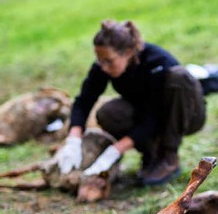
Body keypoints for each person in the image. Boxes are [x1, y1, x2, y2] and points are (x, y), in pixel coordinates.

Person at [55, 20, 206, 185]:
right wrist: (74, 139)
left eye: (109, 61)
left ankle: (169, 156)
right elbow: (84, 100)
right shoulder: (104, 65)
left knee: (179, 76)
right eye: (99, 60)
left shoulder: (156, 62)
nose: (103, 67)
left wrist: (115, 150)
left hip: (184, 115)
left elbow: (154, 115)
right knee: (109, 113)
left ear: (127, 52)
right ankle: (151, 154)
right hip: (145, 114)